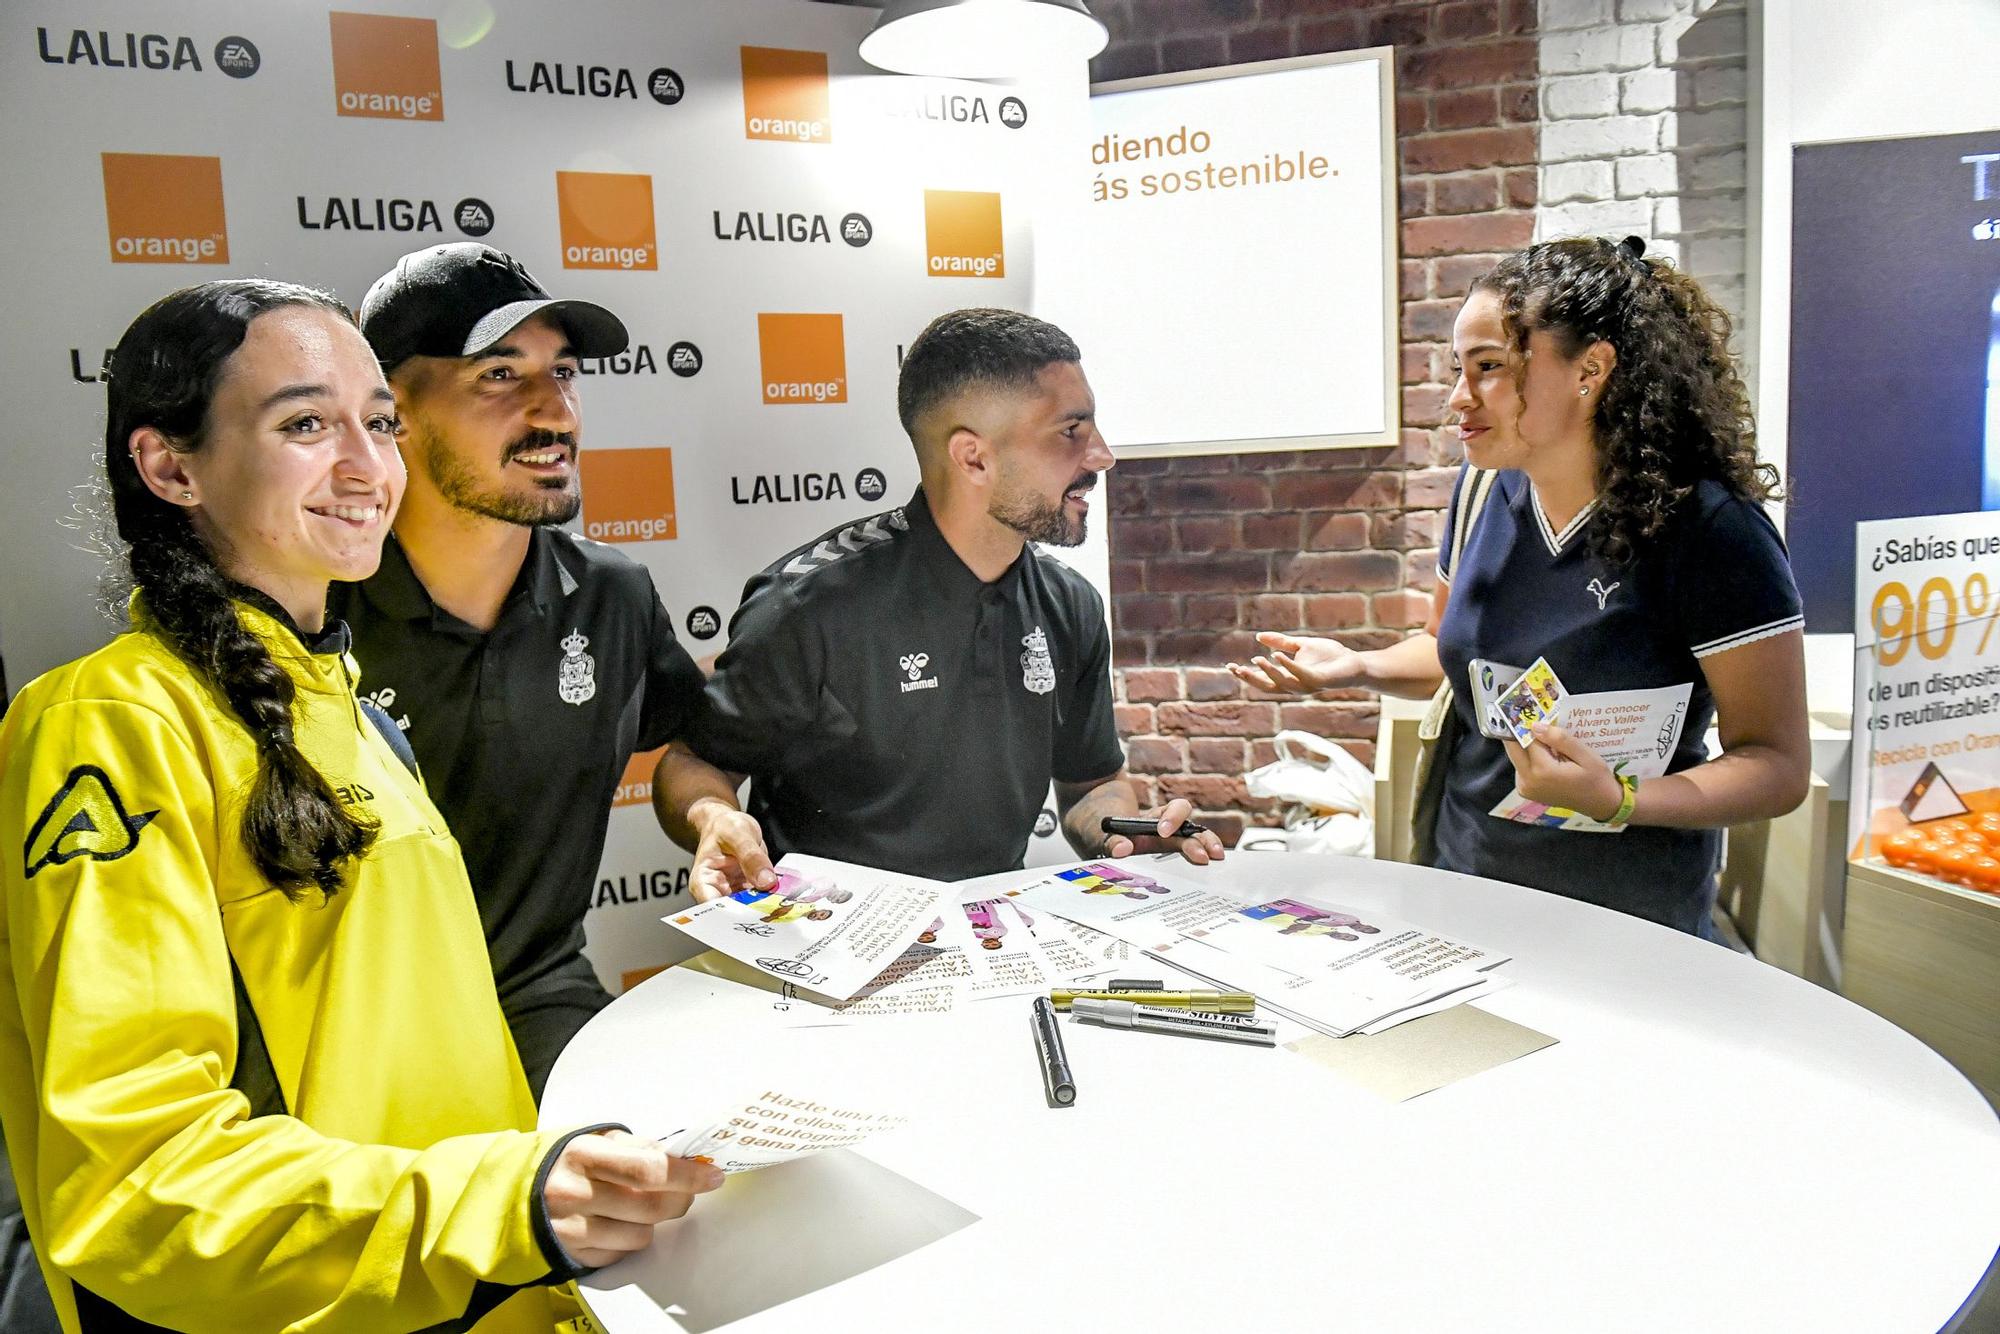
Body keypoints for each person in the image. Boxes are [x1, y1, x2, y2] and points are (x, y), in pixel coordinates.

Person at [0, 281, 721, 1332]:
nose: (365, 466)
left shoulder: (342, 706)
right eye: (303, 424)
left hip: (474, 1285)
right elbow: (136, 1177)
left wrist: (526, 1206)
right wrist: (498, 1204)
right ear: (170, 465)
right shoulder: (108, 721)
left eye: (377, 424)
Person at [1232, 237, 1810, 937]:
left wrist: (1621, 799)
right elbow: (1451, 657)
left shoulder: (1714, 531)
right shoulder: (1482, 491)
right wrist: (1356, 667)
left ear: (1590, 370)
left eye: (1489, 368)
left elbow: (1776, 766)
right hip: (1467, 890)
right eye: (1457, 369)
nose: (1456, 398)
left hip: (1627, 921)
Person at [330, 243, 771, 1098]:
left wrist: (713, 815)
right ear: (393, 415)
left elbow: (681, 741)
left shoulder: (611, 594)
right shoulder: (309, 607)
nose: (554, 411)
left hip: (538, 1001)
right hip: (346, 1029)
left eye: (563, 374)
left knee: (684, 1190)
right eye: (499, 376)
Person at [663, 308, 1227, 892]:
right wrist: (714, 816)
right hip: (826, 950)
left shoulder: (1071, 604)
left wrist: (1122, 830)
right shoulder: (809, 602)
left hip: (995, 940)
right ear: (973, 456)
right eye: (1071, 432)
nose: (1102, 455)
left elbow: (1090, 786)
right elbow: (694, 761)